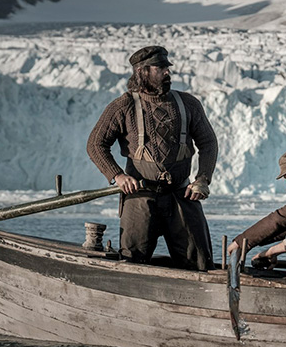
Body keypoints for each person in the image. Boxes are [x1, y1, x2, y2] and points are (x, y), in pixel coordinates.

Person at [86, 45, 217, 271]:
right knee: (132, 263)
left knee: (198, 263)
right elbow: (96, 144)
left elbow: (208, 143)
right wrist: (117, 175)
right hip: (140, 197)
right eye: (161, 68)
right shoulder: (123, 106)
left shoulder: (188, 104)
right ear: (142, 71)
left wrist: (203, 178)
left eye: (168, 68)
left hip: (181, 195)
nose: (168, 73)